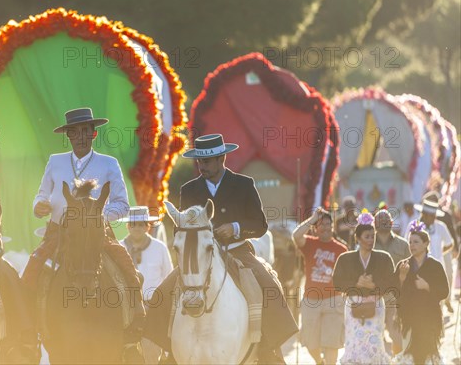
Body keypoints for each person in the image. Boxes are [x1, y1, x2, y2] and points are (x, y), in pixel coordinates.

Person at [145, 134, 298, 364]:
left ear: (221, 159)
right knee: (162, 293)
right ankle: (169, 350)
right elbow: (181, 229)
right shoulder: (189, 189)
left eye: (206, 162)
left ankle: (268, 349)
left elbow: (260, 225)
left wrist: (235, 227)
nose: (202, 166)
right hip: (199, 255)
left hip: (237, 251)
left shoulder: (244, 184)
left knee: (268, 286)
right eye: (199, 162)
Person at [23, 107, 145, 351]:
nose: (80, 137)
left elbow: (122, 204)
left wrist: (96, 217)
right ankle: (27, 332)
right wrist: (39, 206)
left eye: (85, 132)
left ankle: (134, 324)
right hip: (59, 232)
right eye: (74, 132)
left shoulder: (109, 164)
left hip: (97, 233)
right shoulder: (55, 162)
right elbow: (41, 195)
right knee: (31, 269)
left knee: (128, 268)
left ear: (93, 135)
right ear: (68, 136)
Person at [332, 210, 394, 365]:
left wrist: (375, 286)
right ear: (358, 238)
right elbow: (337, 282)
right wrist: (356, 283)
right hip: (354, 304)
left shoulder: (383, 258)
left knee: (375, 342)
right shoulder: (345, 258)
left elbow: (391, 282)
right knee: (354, 342)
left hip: (376, 304)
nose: (371, 240)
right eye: (367, 236)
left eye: (373, 236)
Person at [293, 207, 347, 365]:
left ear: (332, 227)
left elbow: (346, 276)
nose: (325, 227)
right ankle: (319, 362)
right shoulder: (309, 243)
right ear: (315, 228)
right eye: (321, 224)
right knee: (310, 342)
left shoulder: (341, 249)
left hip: (333, 300)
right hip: (311, 300)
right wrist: (312, 218)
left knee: (331, 343)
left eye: (328, 224)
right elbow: (296, 235)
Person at [119, 207, 173, 365]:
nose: (137, 228)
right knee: (126, 353)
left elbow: (168, 278)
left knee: (151, 353)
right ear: (128, 226)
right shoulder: (119, 248)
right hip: (126, 311)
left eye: (141, 224)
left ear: (148, 226)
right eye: (133, 224)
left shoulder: (159, 248)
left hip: (153, 309)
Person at [392, 220, 450, 365]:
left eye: (416, 242)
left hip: (429, 318)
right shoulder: (403, 265)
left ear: (426, 244)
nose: (412, 245)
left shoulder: (435, 265)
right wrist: (401, 278)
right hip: (408, 317)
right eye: (410, 242)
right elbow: (394, 292)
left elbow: (444, 291)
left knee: (427, 355)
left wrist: (428, 287)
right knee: (410, 354)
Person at [373, 209, 411, 355]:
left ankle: (402, 357)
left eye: (386, 219)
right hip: (373, 295)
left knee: (394, 329)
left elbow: (412, 269)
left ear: (392, 223)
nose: (383, 221)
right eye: (379, 219)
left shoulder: (403, 245)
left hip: (395, 295)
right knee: (374, 332)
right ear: (374, 224)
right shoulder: (367, 243)